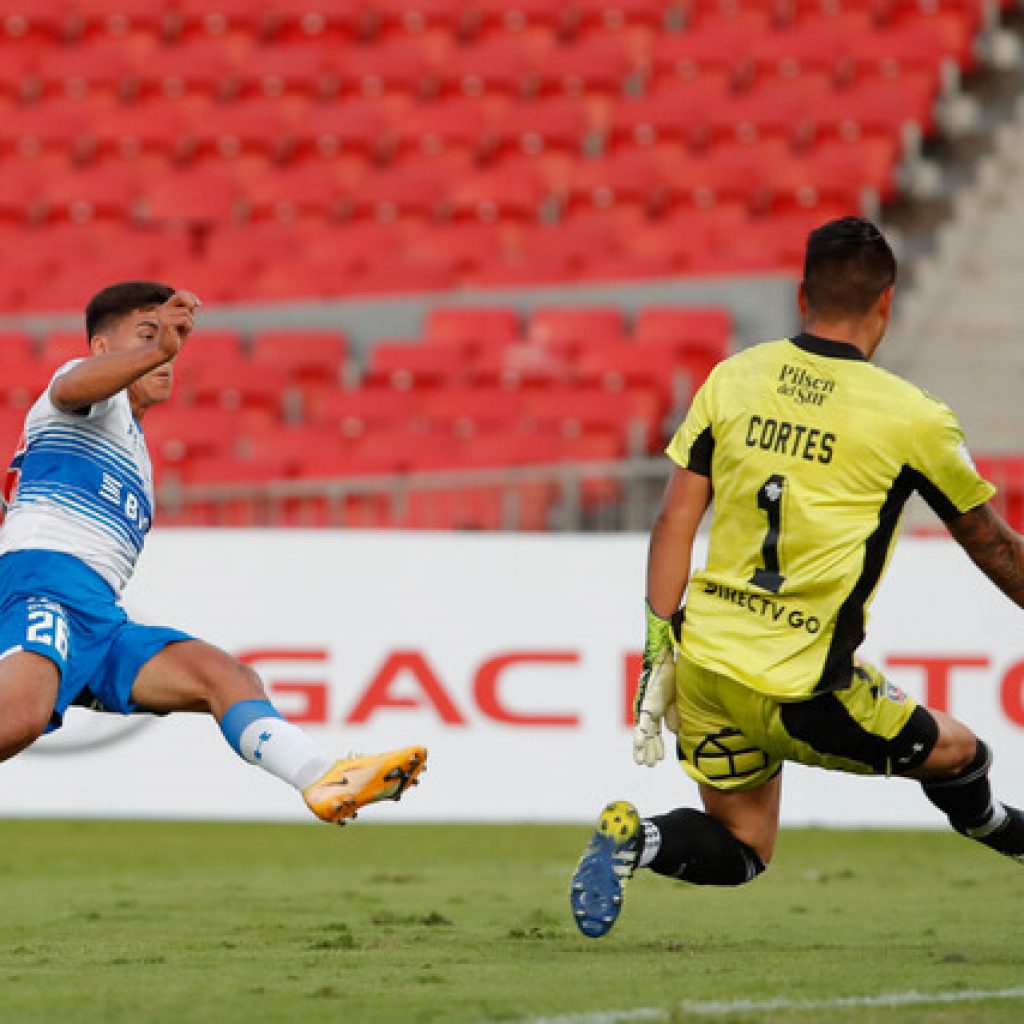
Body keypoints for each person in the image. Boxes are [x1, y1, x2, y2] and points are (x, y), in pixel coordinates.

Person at [569, 216, 1024, 938]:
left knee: (745, 846)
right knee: (962, 753)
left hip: (705, 668)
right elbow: (992, 546)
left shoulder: (732, 378)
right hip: (804, 688)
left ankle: (638, 838)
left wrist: (659, 642)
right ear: (888, 302)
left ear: (801, 293)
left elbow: (673, 523)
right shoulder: (913, 419)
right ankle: (1000, 830)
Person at [0, 281, 426, 824]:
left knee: (224, 677)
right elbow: (69, 389)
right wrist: (156, 349)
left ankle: (321, 776)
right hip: (47, 586)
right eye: (147, 333)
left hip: (100, 619)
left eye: (172, 336)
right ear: (103, 348)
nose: (168, 351)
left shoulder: (135, 455)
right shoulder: (82, 393)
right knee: (17, 719)